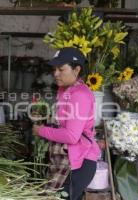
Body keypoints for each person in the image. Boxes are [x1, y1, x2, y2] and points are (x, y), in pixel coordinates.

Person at [33, 47, 100, 200]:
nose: (56, 73)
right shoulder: (65, 91)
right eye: (54, 69)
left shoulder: (80, 95)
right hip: (66, 160)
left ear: (76, 70)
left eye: (61, 69)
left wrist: (40, 130)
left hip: (79, 163)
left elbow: (71, 136)